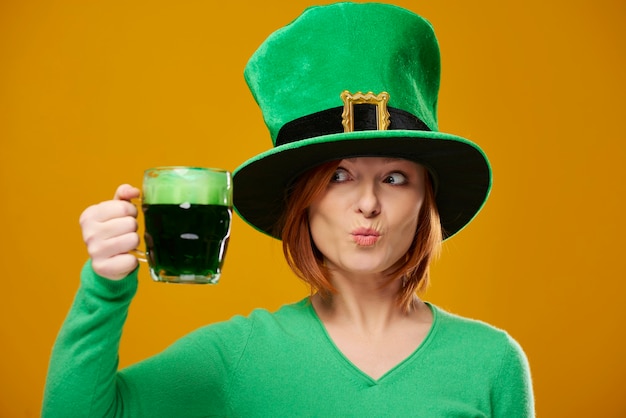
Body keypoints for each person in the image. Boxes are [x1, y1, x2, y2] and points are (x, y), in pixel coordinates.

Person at [43, 2, 534, 417]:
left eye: (394, 177)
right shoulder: (239, 356)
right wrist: (104, 290)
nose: (367, 203)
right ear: (301, 198)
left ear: (427, 197)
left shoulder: (491, 363)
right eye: (338, 176)